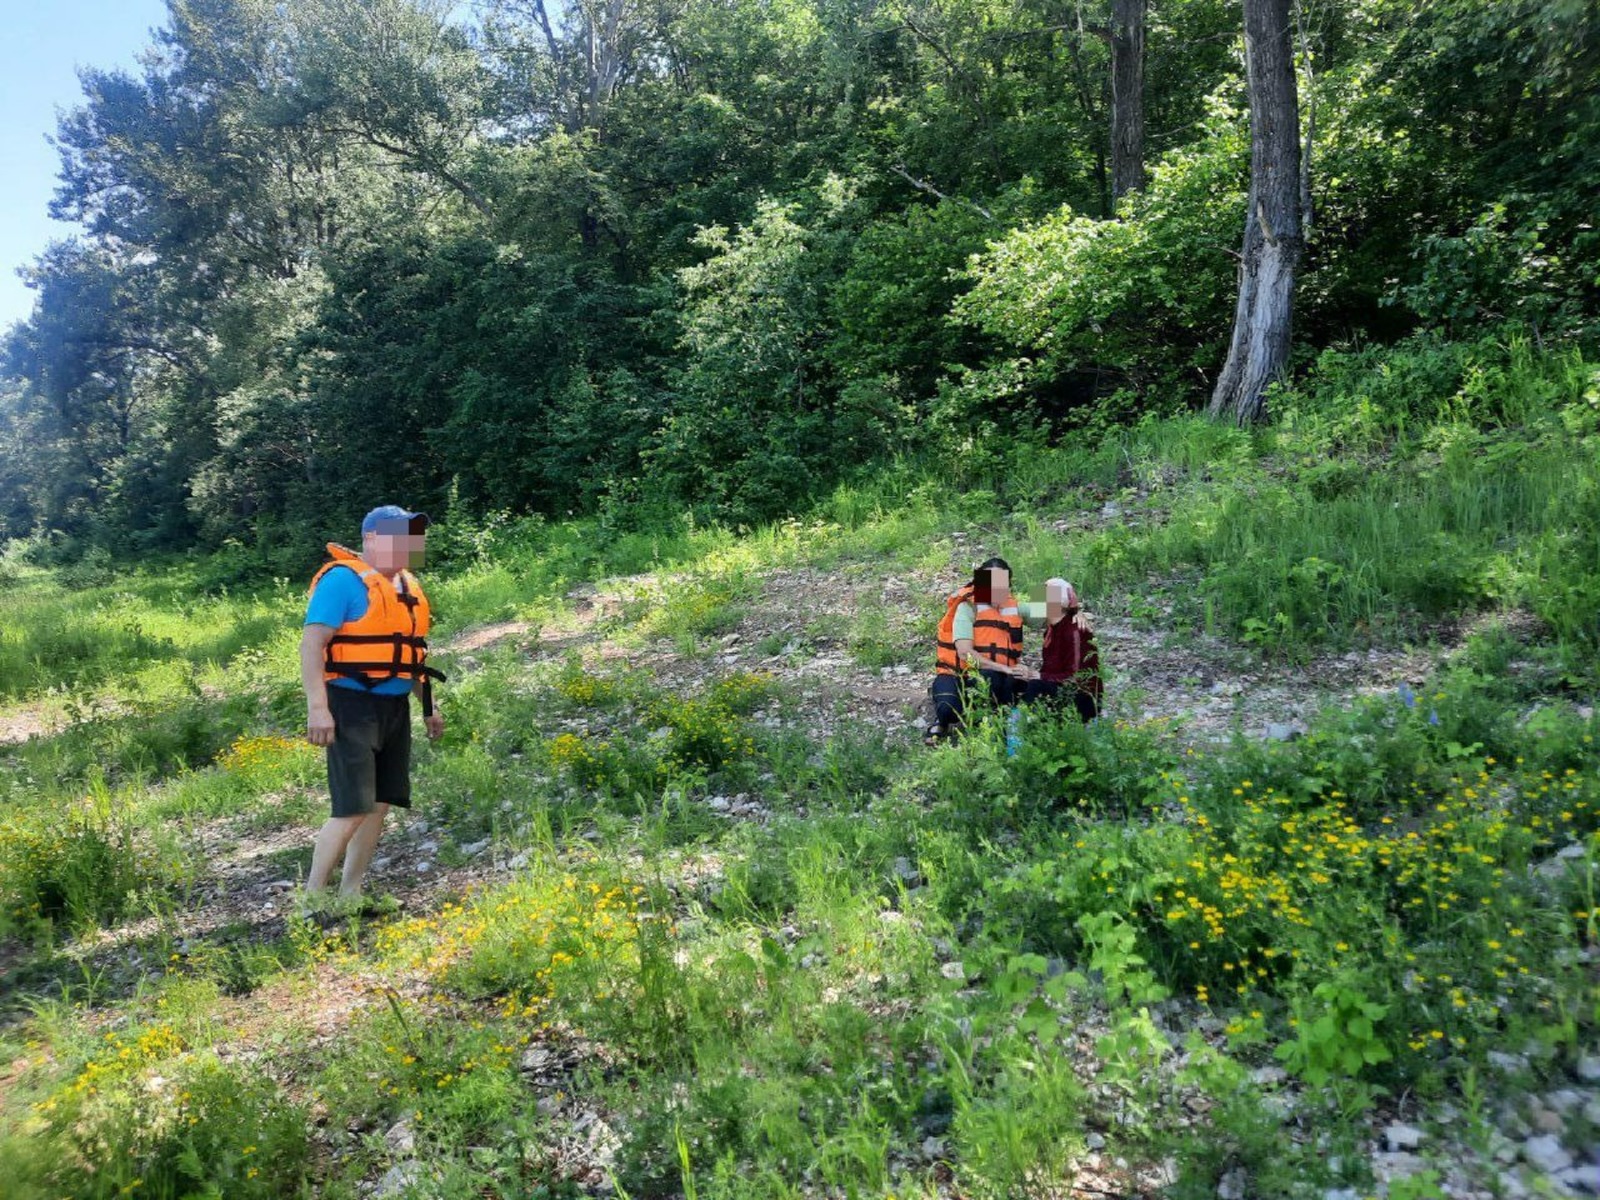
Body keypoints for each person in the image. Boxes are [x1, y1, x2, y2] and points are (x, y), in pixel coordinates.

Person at [299, 506, 447, 912]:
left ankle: (351, 895)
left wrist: (428, 706)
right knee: (351, 808)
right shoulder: (343, 582)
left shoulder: (406, 586)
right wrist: (318, 708)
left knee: (379, 804)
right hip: (350, 706)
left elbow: (410, 658)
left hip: (393, 707)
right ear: (371, 540)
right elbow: (312, 645)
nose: (407, 546)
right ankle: (310, 903)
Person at [929, 558, 1090, 741]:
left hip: (1000, 677)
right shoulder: (967, 607)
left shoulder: (1014, 607)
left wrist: (1075, 611)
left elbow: (1052, 611)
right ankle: (943, 720)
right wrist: (1003, 668)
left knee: (1044, 688)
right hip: (961, 674)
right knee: (947, 709)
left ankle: (1006, 721)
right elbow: (964, 653)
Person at [1024, 578, 1102, 723]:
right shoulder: (1052, 629)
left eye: (1044, 594)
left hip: (1082, 697)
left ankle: (1025, 735)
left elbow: (1076, 677)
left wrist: (1039, 676)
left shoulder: (1075, 630)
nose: (1037, 598)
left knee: (1034, 686)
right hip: (1061, 687)